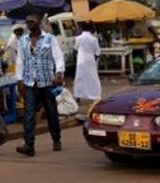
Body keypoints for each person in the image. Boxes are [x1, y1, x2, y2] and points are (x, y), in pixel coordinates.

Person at [15, 14, 65, 157]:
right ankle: (29, 144)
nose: (29, 24)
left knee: (51, 112)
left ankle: (56, 138)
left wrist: (59, 72)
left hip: (47, 81)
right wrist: (19, 80)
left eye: (32, 21)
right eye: (27, 21)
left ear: (38, 23)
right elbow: (20, 61)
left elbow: (58, 56)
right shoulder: (23, 41)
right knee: (29, 113)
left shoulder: (50, 39)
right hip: (30, 81)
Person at [73, 23, 101, 103]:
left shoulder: (78, 38)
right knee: (93, 78)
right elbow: (97, 52)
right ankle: (95, 95)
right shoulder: (94, 39)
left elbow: (75, 49)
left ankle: (78, 97)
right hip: (90, 61)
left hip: (81, 61)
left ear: (81, 29)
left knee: (79, 78)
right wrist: (94, 60)